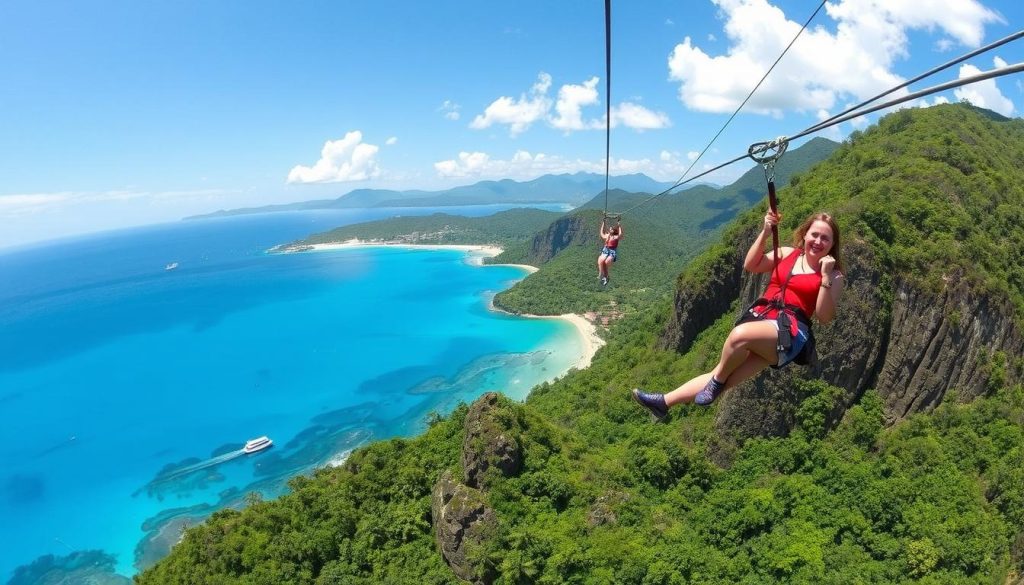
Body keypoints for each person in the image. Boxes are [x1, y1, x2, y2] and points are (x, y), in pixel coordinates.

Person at [632, 210, 845, 421]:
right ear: (805, 234)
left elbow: (824, 317)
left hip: (789, 334)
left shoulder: (834, 276)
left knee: (738, 337)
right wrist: (765, 233)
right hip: (764, 320)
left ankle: (716, 381)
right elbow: (752, 265)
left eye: (825, 238)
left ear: (832, 244)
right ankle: (664, 403)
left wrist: (825, 277)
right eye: (814, 235)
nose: (818, 241)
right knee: (724, 376)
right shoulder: (787, 253)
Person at [597, 218, 622, 286]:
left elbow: (620, 235)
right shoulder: (607, 236)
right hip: (605, 250)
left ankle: (606, 276)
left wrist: (619, 226)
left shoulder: (615, 237)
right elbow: (602, 233)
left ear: (613, 231)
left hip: (612, 251)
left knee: (606, 262)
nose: (610, 229)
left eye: (611, 229)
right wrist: (603, 223)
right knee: (601, 260)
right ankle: (601, 274)